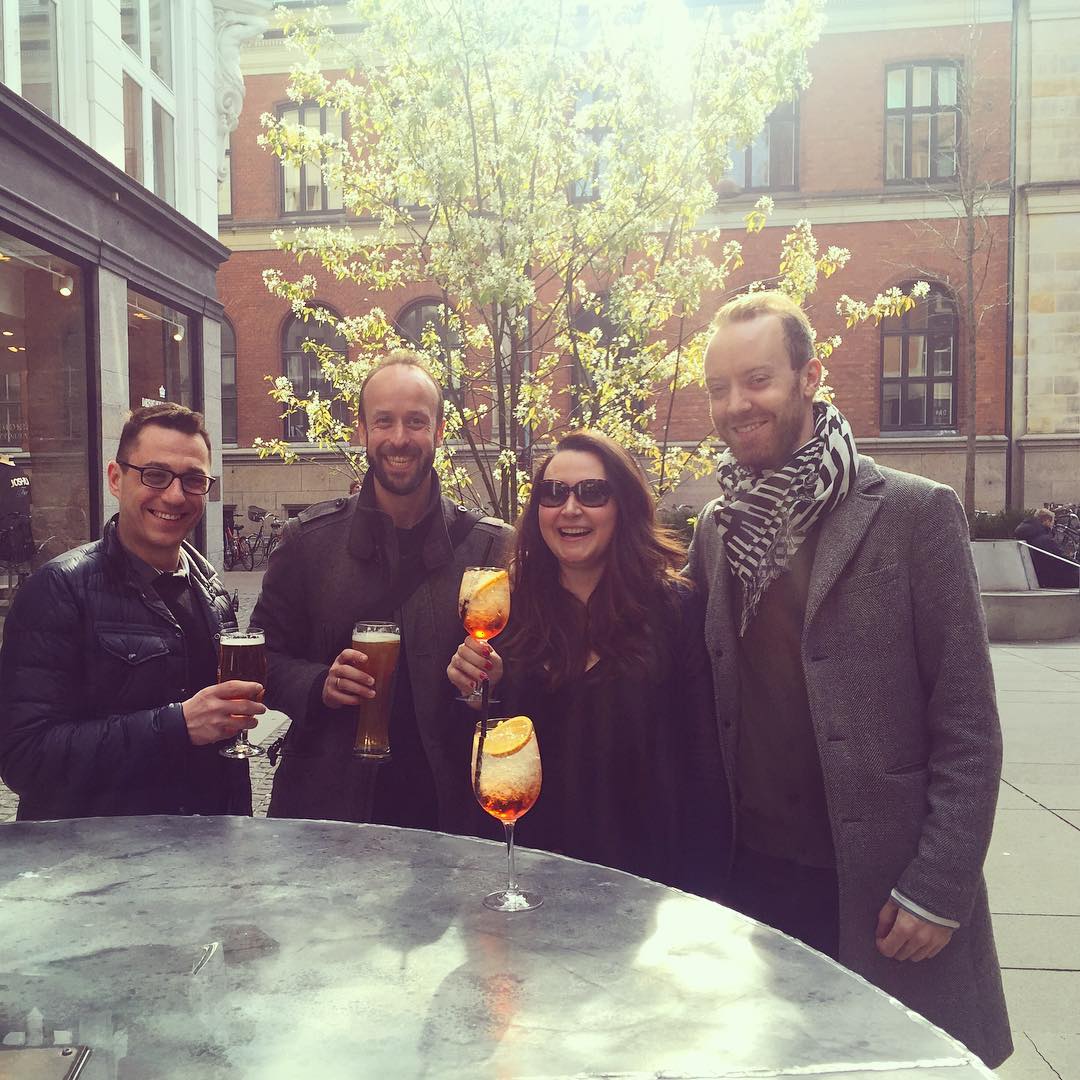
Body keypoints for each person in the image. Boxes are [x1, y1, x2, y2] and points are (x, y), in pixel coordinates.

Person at [686, 291, 1011, 1068]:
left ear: (810, 377)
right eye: (720, 388)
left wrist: (940, 885)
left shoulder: (915, 514)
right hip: (753, 882)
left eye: (758, 379)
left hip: (883, 891)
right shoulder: (718, 530)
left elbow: (968, 722)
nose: (737, 405)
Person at [447, 430, 728, 895]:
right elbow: (485, 760)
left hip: (645, 883)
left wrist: (701, 895)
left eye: (593, 492)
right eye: (553, 493)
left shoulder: (674, 609)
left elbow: (703, 764)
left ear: (624, 506)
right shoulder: (506, 611)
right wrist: (479, 694)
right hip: (530, 880)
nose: (570, 508)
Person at [254, 349, 512, 830]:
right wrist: (318, 684)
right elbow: (261, 658)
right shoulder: (308, 542)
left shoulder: (491, 548)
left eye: (416, 421)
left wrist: (497, 680)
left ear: (439, 431)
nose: (399, 438)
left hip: (451, 816)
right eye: (384, 421)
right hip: (328, 813)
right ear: (362, 431)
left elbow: (531, 675)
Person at [0, 404, 261, 820]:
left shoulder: (209, 585)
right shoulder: (58, 589)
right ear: (115, 479)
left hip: (204, 847)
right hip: (98, 853)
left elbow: (223, 742)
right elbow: (24, 756)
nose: (175, 495)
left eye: (193, 480)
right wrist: (176, 726)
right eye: (155, 475)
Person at [1014, 508, 1079, 588]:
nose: (1052, 525)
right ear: (1047, 521)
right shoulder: (1043, 539)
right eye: (1052, 522)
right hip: (1049, 578)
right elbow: (1061, 557)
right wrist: (1076, 564)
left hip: (1038, 575)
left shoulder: (1028, 536)